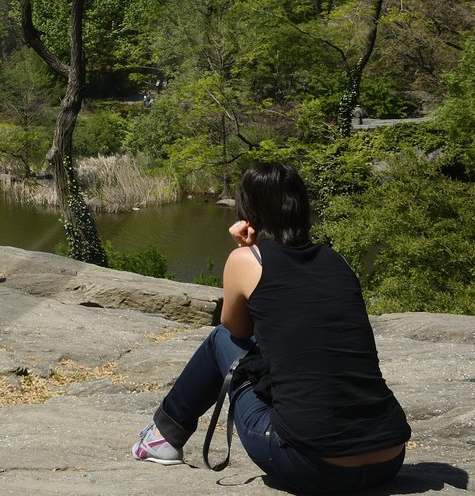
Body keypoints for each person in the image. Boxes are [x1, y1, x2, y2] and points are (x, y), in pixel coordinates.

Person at [131, 162, 410, 493]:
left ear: (248, 210)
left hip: (313, 467)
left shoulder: (248, 260)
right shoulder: (337, 261)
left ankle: (164, 437)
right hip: (389, 460)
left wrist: (244, 251)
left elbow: (236, 329)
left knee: (221, 338)